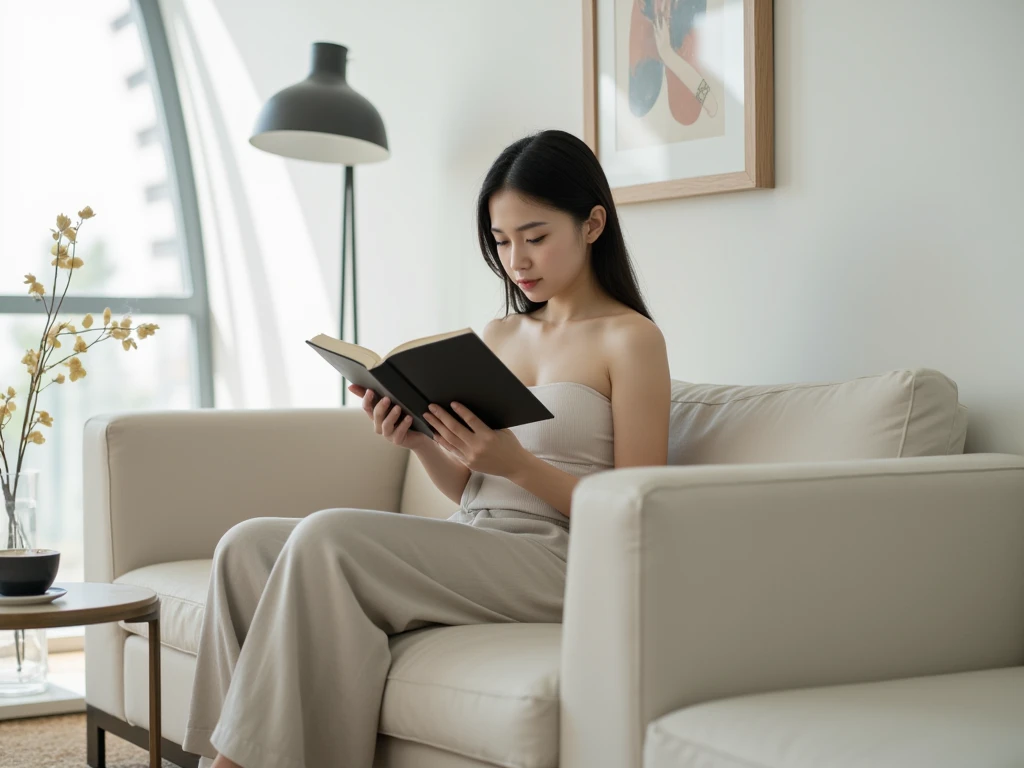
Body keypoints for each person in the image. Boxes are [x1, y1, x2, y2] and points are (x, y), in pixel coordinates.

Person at [181, 128, 671, 768]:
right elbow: (473, 489)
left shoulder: (631, 340)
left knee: (329, 539)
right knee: (245, 547)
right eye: (500, 241)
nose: (516, 260)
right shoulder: (499, 332)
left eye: (535, 236)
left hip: (563, 558)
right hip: (478, 532)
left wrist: (518, 464)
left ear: (592, 224)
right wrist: (419, 441)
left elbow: (641, 515)